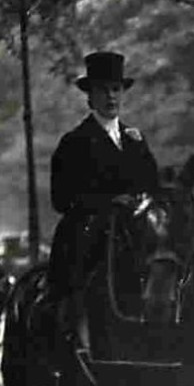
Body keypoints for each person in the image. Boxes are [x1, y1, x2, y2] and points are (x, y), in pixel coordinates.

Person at [48, 51, 160, 352]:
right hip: (89, 229)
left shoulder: (135, 140)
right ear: (90, 97)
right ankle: (70, 334)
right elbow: (60, 199)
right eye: (103, 90)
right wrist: (109, 202)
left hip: (134, 229)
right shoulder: (74, 142)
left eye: (115, 89)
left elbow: (153, 184)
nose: (111, 96)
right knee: (76, 273)